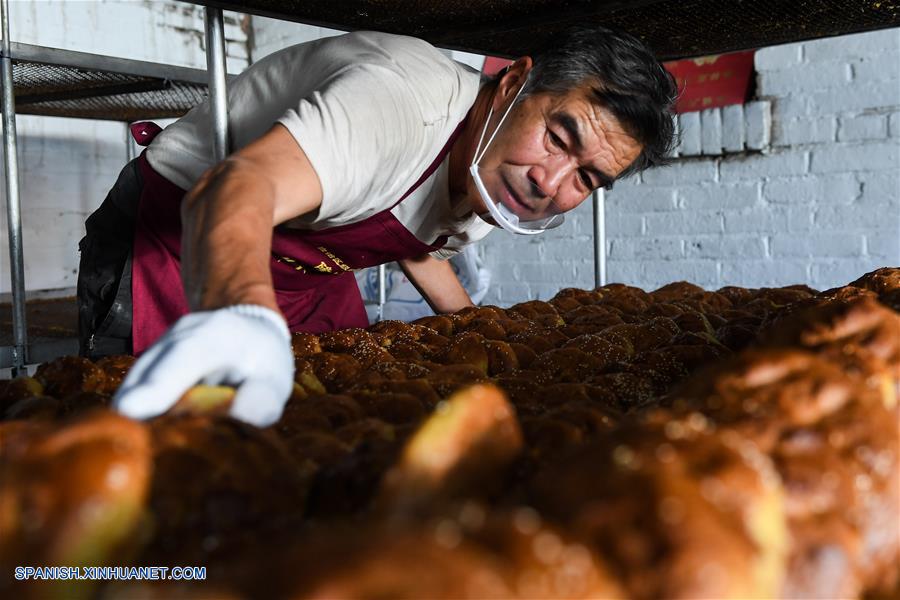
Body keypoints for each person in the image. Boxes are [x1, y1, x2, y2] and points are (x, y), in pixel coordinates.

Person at [77, 25, 677, 426]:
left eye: (588, 178)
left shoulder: (496, 169)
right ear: (514, 85)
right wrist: (242, 311)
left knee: (337, 417)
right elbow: (237, 188)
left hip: (307, 267)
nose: (550, 182)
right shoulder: (396, 108)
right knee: (164, 433)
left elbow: (414, 237)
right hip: (183, 233)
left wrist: (496, 343)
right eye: (558, 137)